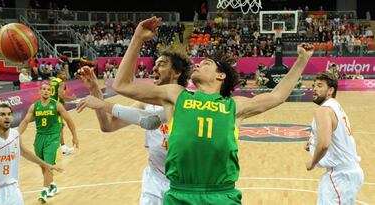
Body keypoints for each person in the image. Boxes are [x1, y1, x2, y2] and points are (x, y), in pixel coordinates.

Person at [112, 16, 314, 204]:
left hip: (221, 195)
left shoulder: (234, 106)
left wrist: (302, 61)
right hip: (180, 193)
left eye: (206, 63)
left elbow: (277, 96)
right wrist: (137, 38)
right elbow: (123, 85)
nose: (198, 64)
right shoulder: (176, 95)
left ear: (220, 76)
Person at [75, 48, 193, 204]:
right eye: (155, 64)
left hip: (186, 181)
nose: (154, 68)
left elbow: (149, 120)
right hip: (155, 178)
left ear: (176, 72)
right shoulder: (145, 103)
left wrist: (103, 104)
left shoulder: (190, 101)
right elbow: (108, 125)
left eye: (162, 64)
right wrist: (94, 90)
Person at [0, 103, 62, 205]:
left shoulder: (15, 135)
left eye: (9, 114)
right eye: (2, 114)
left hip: (13, 190)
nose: (7, 117)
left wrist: (45, 164)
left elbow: (24, 152)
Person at [305, 72, 364, 204]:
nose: (314, 88)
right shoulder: (336, 106)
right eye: (314, 85)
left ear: (330, 90)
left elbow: (325, 144)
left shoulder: (324, 110)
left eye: (320, 86)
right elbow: (335, 138)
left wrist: (312, 162)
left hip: (340, 176)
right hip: (348, 173)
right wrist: (313, 144)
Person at [19, 83, 78, 203]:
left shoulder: (56, 105)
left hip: (53, 137)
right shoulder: (34, 106)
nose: (46, 91)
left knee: (48, 164)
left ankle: (44, 191)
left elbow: (69, 120)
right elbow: (25, 121)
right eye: (44, 89)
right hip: (39, 137)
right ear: (39, 91)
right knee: (42, 164)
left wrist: (74, 136)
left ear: (51, 92)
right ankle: (52, 185)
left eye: (49, 90)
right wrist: (15, 135)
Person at [50, 69, 77, 155]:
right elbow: (60, 95)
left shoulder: (52, 81)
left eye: (65, 74)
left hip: (50, 105)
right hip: (57, 107)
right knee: (60, 127)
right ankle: (64, 148)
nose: (65, 76)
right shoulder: (61, 83)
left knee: (52, 127)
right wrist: (72, 98)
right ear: (58, 74)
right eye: (63, 74)